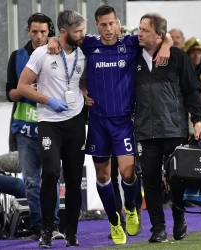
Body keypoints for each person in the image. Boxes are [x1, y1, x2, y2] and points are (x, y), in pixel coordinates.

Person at [47, 5, 172, 245]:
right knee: (103, 176)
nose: (108, 29)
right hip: (97, 122)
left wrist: (166, 43)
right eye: (103, 24)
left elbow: (159, 34)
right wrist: (53, 38)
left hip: (124, 121)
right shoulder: (89, 43)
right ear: (97, 25)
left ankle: (132, 206)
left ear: (118, 23)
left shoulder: (131, 43)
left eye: (111, 23)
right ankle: (114, 221)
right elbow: (66, 36)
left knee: (127, 173)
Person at [17, 10, 87, 248]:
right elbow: (22, 86)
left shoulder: (84, 51)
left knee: (75, 178)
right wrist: (48, 100)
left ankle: (72, 232)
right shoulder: (41, 53)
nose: (83, 35)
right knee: (50, 173)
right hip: (49, 122)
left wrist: (85, 93)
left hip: (76, 120)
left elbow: (83, 80)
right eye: (78, 31)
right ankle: (47, 230)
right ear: (65, 32)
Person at [134, 13, 201, 243]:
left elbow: (192, 90)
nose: (140, 33)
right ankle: (158, 229)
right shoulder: (133, 55)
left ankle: (179, 219)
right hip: (145, 131)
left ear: (159, 35)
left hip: (173, 129)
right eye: (139, 29)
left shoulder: (177, 57)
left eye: (145, 30)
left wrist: (197, 121)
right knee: (151, 183)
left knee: (177, 181)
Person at [5, 13, 64, 241]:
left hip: (51, 126)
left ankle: (54, 224)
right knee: (30, 180)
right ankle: (37, 226)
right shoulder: (17, 56)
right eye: (34, 32)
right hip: (25, 128)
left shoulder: (58, 53)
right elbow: (11, 93)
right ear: (27, 31)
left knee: (52, 176)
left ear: (50, 31)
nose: (39, 36)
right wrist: (27, 87)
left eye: (43, 32)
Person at [107, 18, 143, 240]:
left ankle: (134, 210)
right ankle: (117, 219)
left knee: (130, 171)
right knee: (110, 174)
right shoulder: (102, 52)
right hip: (106, 120)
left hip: (130, 121)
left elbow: (163, 37)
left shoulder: (136, 57)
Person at [184, 37, 201, 132]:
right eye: (193, 53)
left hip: (200, 128)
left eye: (199, 53)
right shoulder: (182, 78)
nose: (196, 56)